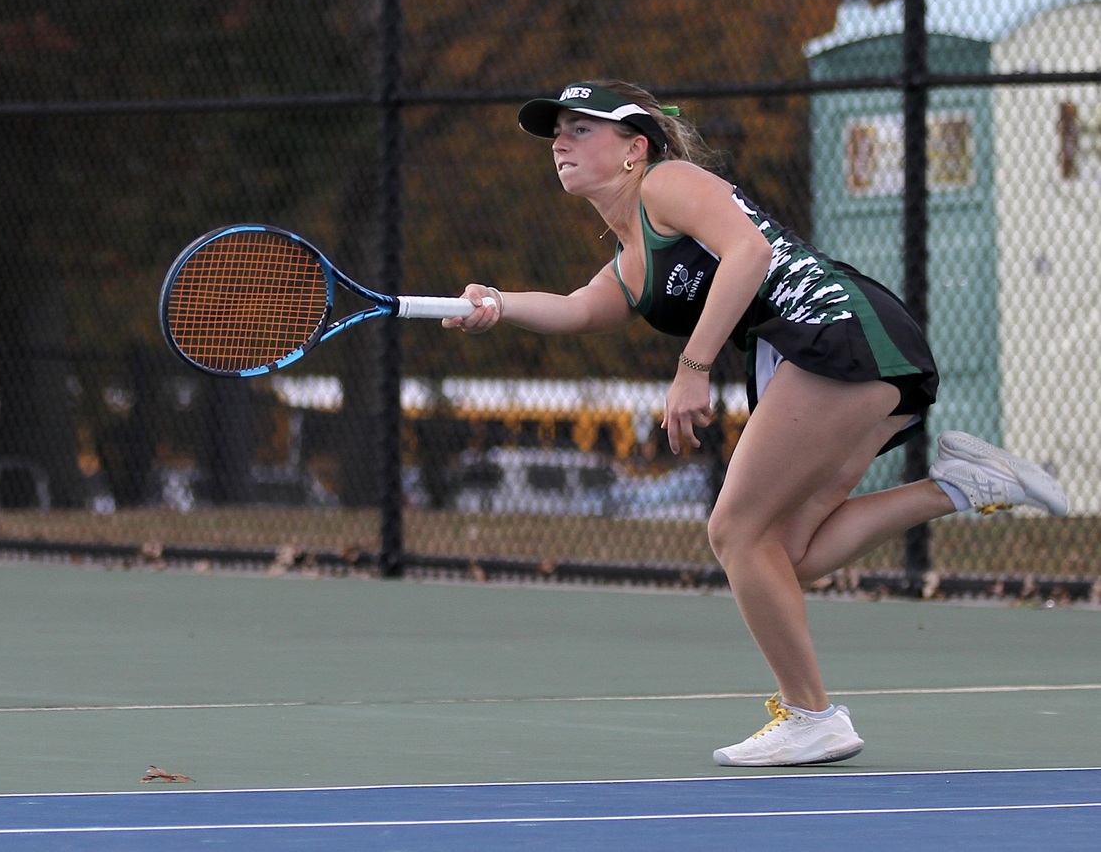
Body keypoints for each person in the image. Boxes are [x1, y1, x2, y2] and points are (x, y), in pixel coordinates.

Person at [443, 79, 1068, 767]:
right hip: (841, 350)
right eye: (558, 130)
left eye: (583, 127)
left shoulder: (667, 183)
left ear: (634, 148)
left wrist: (694, 364)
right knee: (780, 555)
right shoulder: (632, 257)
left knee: (735, 531)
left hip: (832, 332)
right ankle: (958, 485)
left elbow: (750, 251)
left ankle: (810, 714)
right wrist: (495, 301)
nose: (561, 140)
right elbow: (577, 307)